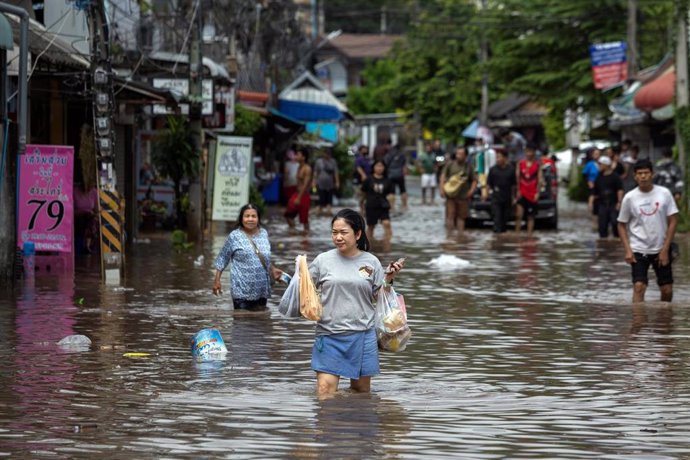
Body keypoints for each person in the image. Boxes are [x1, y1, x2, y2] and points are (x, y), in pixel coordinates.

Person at [308, 208, 404, 397]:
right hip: (329, 334)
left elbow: (379, 297)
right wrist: (296, 273)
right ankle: (328, 426)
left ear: (358, 233)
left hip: (362, 336)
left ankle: (352, 424)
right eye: (334, 232)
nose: (338, 237)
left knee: (361, 394)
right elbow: (304, 290)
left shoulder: (371, 262)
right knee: (324, 391)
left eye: (344, 232)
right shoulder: (322, 261)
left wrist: (389, 278)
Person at [617, 159, 678, 303]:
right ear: (635, 176)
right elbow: (621, 224)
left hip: (661, 247)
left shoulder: (664, 193)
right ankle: (637, 322)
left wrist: (665, 249)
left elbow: (673, 220)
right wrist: (627, 250)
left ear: (652, 174)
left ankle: (664, 320)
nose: (643, 176)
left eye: (646, 173)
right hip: (638, 248)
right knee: (639, 286)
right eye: (640, 173)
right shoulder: (630, 198)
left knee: (667, 289)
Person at [213, 204, 284, 310]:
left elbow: (264, 257)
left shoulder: (264, 234)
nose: (250, 219)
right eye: (247, 216)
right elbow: (222, 258)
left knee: (260, 323)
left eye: (253, 216)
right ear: (241, 218)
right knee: (242, 323)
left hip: (262, 290)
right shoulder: (235, 236)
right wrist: (217, 280)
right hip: (241, 291)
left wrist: (272, 269)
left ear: (258, 218)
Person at [439, 146, 477, 233]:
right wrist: (441, 189)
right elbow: (443, 176)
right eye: (457, 153)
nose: (458, 156)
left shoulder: (469, 167)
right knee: (450, 215)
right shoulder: (450, 165)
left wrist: (471, 191)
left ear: (466, 156)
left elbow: (474, 180)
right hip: (450, 195)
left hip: (463, 196)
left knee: (461, 217)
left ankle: (460, 236)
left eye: (460, 154)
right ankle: (450, 236)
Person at [588, 155, 623, 238]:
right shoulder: (599, 177)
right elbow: (594, 191)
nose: (599, 166)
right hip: (602, 204)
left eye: (600, 164)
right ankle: (603, 243)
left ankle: (616, 241)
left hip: (613, 203)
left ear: (606, 165)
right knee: (602, 226)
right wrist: (591, 203)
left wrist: (619, 202)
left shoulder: (615, 177)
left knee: (615, 223)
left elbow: (620, 189)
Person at [483, 149, 516, 233]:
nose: (497, 159)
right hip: (496, 198)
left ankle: (502, 238)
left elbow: (513, 185)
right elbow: (488, 184)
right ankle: (497, 237)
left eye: (499, 157)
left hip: (507, 197)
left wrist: (513, 197)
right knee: (497, 218)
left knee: (505, 219)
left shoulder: (511, 170)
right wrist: (485, 194)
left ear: (505, 158)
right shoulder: (493, 170)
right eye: (496, 157)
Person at [361, 160, 395, 241]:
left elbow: (391, 194)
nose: (379, 168)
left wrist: (392, 206)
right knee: (371, 226)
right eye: (377, 166)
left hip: (383, 205)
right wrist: (361, 205)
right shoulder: (368, 179)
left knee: (387, 223)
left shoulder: (388, 180)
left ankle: (387, 243)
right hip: (371, 205)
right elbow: (363, 193)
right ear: (373, 167)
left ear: (384, 168)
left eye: (381, 166)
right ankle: (368, 244)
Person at [514, 143, 543, 237]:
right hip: (522, 192)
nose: (529, 154)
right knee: (519, 215)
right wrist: (517, 190)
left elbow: (540, 179)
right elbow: (517, 178)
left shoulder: (538, 165)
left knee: (530, 217)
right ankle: (517, 234)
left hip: (532, 193)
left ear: (534, 153)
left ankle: (529, 235)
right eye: (527, 151)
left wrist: (538, 192)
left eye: (530, 152)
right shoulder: (520, 163)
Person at [285, 147, 313, 234]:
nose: (296, 156)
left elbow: (305, 185)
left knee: (304, 220)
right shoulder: (299, 167)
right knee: (288, 215)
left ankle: (306, 236)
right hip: (297, 194)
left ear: (303, 157)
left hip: (303, 195)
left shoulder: (307, 169)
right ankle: (294, 231)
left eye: (298, 155)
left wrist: (299, 198)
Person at [73, 181, 99, 254]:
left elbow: (96, 210)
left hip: (90, 217)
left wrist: (94, 215)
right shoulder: (75, 192)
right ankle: (83, 246)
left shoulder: (94, 192)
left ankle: (88, 245)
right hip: (78, 216)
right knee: (81, 223)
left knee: (92, 222)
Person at [313, 148, 340, 215]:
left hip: (330, 183)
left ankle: (329, 210)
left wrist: (337, 182)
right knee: (321, 197)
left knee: (329, 197)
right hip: (320, 183)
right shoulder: (319, 161)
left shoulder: (333, 161)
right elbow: (316, 172)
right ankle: (320, 210)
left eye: (328, 154)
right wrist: (314, 181)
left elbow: (335, 172)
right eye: (326, 154)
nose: (327, 155)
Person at [383, 144, 408, 213]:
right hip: (400, 174)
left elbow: (385, 164)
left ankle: (392, 207)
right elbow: (404, 165)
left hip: (391, 175)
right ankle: (405, 205)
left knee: (391, 192)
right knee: (403, 190)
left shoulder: (388, 154)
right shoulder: (402, 155)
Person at [354, 145, 372, 213]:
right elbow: (358, 168)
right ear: (360, 150)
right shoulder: (358, 159)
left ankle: (366, 209)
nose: (365, 151)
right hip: (361, 180)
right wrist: (363, 175)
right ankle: (362, 210)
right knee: (362, 195)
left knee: (368, 196)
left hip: (369, 180)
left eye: (366, 149)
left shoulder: (368, 159)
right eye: (364, 149)